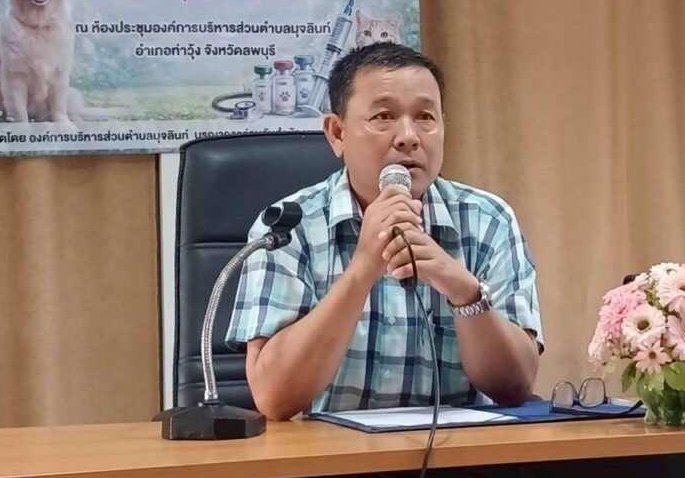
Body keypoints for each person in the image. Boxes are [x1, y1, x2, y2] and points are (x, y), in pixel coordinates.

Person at [226, 43, 543, 420]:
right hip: (328, 454)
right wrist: (362, 270)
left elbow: (515, 387)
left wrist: (465, 292)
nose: (408, 136)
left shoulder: (487, 218)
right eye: (383, 116)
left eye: (425, 117)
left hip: (460, 452)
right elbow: (273, 398)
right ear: (337, 133)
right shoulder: (287, 226)